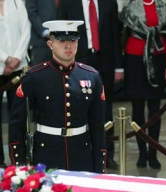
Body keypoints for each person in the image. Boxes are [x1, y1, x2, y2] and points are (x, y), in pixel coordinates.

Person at [8, 20, 106, 173]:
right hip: (46, 154)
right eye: (61, 41)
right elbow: (17, 123)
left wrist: (100, 166)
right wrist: (19, 164)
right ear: (50, 44)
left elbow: (98, 125)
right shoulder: (35, 76)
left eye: (73, 40)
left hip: (81, 154)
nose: (68, 45)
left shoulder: (91, 76)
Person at [57, 0, 124, 170]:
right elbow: (60, 35)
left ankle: (106, 154)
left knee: (105, 108)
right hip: (78, 59)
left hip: (105, 60)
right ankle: (79, 153)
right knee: (78, 107)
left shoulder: (109, 2)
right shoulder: (68, 4)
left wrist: (118, 66)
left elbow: (115, 35)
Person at [119, 0, 166, 169]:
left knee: (155, 109)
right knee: (137, 109)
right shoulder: (129, 7)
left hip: (157, 59)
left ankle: (153, 153)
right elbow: (122, 35)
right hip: (134, 60)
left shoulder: (162, 7)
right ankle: (142, 154)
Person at [0, 0, 31, 168]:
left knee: (18, 115)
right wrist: (6, 59)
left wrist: (17, 58)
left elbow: (25, 30)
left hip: (19, 66)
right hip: (1, 63)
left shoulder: (17, 2)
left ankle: (18, 159)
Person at [26, 0, 58, 65]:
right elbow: (31, 12)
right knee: (41, 73)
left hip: (64, 41)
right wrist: (45, 32)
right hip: (41, 43)